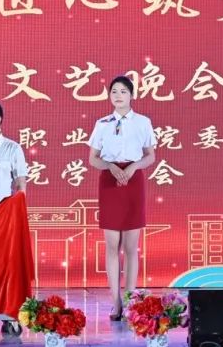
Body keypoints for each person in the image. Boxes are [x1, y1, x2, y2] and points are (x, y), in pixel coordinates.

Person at [87, 76, 156, 321]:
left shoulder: (143, 122)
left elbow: (150, 156)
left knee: (130, 247)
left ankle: (130, 301)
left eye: (123, 91)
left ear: (132, 95)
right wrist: (110, 166)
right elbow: (92, 158)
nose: (118, 95)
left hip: (133, 181)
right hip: (110, 181)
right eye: (114, 91)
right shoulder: (102, 124)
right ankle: (116, 303)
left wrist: (134, 166)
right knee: (112, 246)